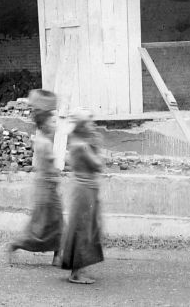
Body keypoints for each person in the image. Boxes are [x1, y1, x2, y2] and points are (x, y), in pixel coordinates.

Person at [7, 89, 63, 266]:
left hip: (48, 189)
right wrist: (55, 175)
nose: (55, 125)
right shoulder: (44, 142)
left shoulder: (44, 139)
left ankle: (57, 255)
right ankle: (17, 244)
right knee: (43, 227)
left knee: (57, 224)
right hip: (46, 191)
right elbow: (47, 169)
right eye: (53, 121)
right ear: (44, 123)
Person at [61, 108, 105, 284]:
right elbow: (97, 164)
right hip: (84, 190)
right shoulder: (82, 145)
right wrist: (98, 147)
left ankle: (79, 269)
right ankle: (76, 273)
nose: (93, 125)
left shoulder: (79, 142)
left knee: (87, 228)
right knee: (83, 229)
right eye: (89, 122)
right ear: (81, 126)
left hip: (87, 189)